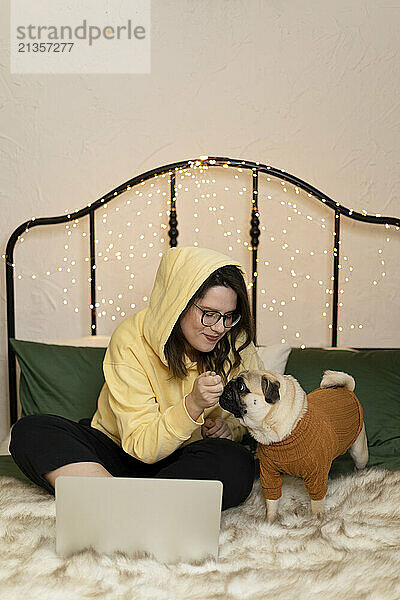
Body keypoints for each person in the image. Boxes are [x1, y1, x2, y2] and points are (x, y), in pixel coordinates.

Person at [10, 246, 264, 510]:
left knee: (236, 462)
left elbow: (263, 413)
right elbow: (141, 447)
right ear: (178, 304)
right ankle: (129, 504)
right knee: (31, 431)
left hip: (185, 463)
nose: (219, 327)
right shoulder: (131, 338)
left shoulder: (237, 344)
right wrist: (193, 405)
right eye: (209, 314)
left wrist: (231, 429)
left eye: (228, 316)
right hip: (119, 453)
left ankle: (117, 503)